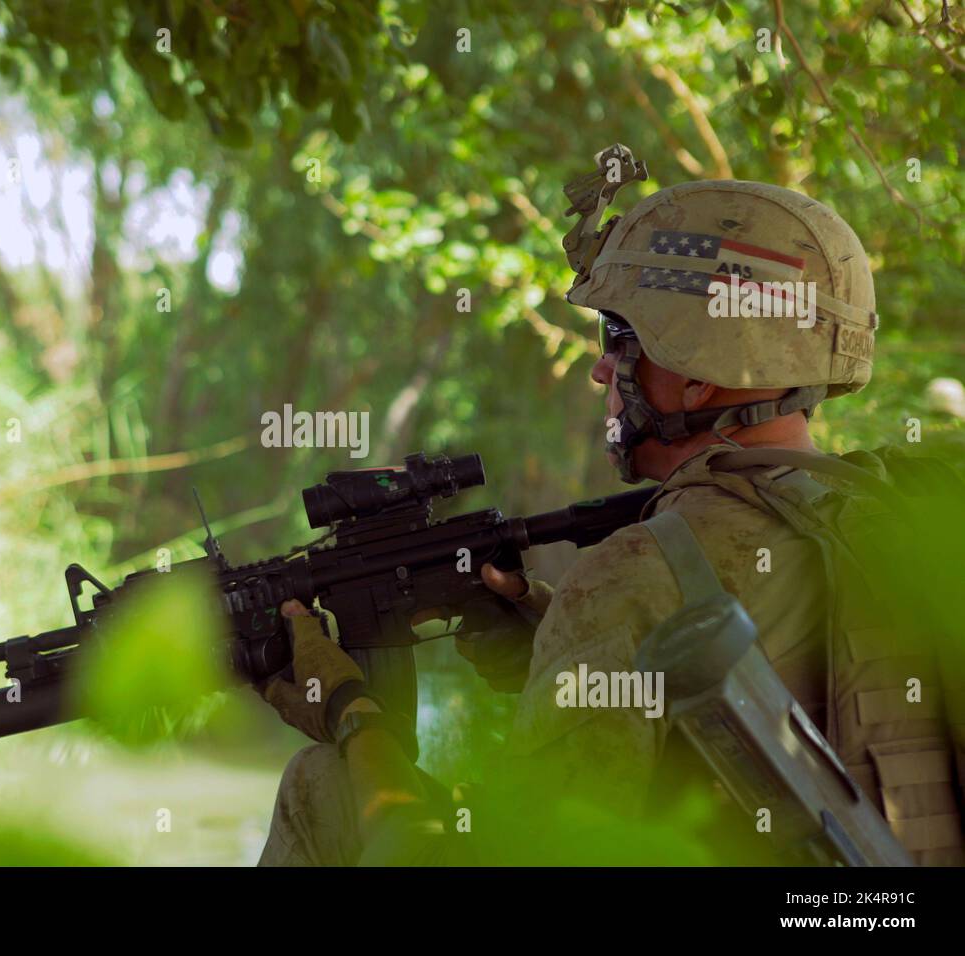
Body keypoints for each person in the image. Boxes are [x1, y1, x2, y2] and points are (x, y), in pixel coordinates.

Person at [255, 175, 965, 867]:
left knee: (321, 787)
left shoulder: (641, 571)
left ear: (697, 372)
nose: (601, 370)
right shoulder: (899, 517)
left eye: (620, 337)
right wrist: (550, 630)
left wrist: (351, 712)